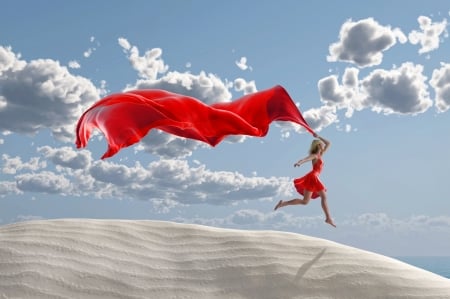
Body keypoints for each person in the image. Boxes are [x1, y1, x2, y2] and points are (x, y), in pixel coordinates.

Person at [274, 133, 336, 227]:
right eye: (321, 144)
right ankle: (328, 218)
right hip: (313, 176)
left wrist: (318, 136)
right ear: (319, 145)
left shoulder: (320, 155)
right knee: (324, 197)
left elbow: (328, 143)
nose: (323, 145)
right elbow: (306, 159)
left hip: (311, 177)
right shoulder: (315, 155)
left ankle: (283, 203)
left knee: (305, 202)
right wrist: (299, 162)